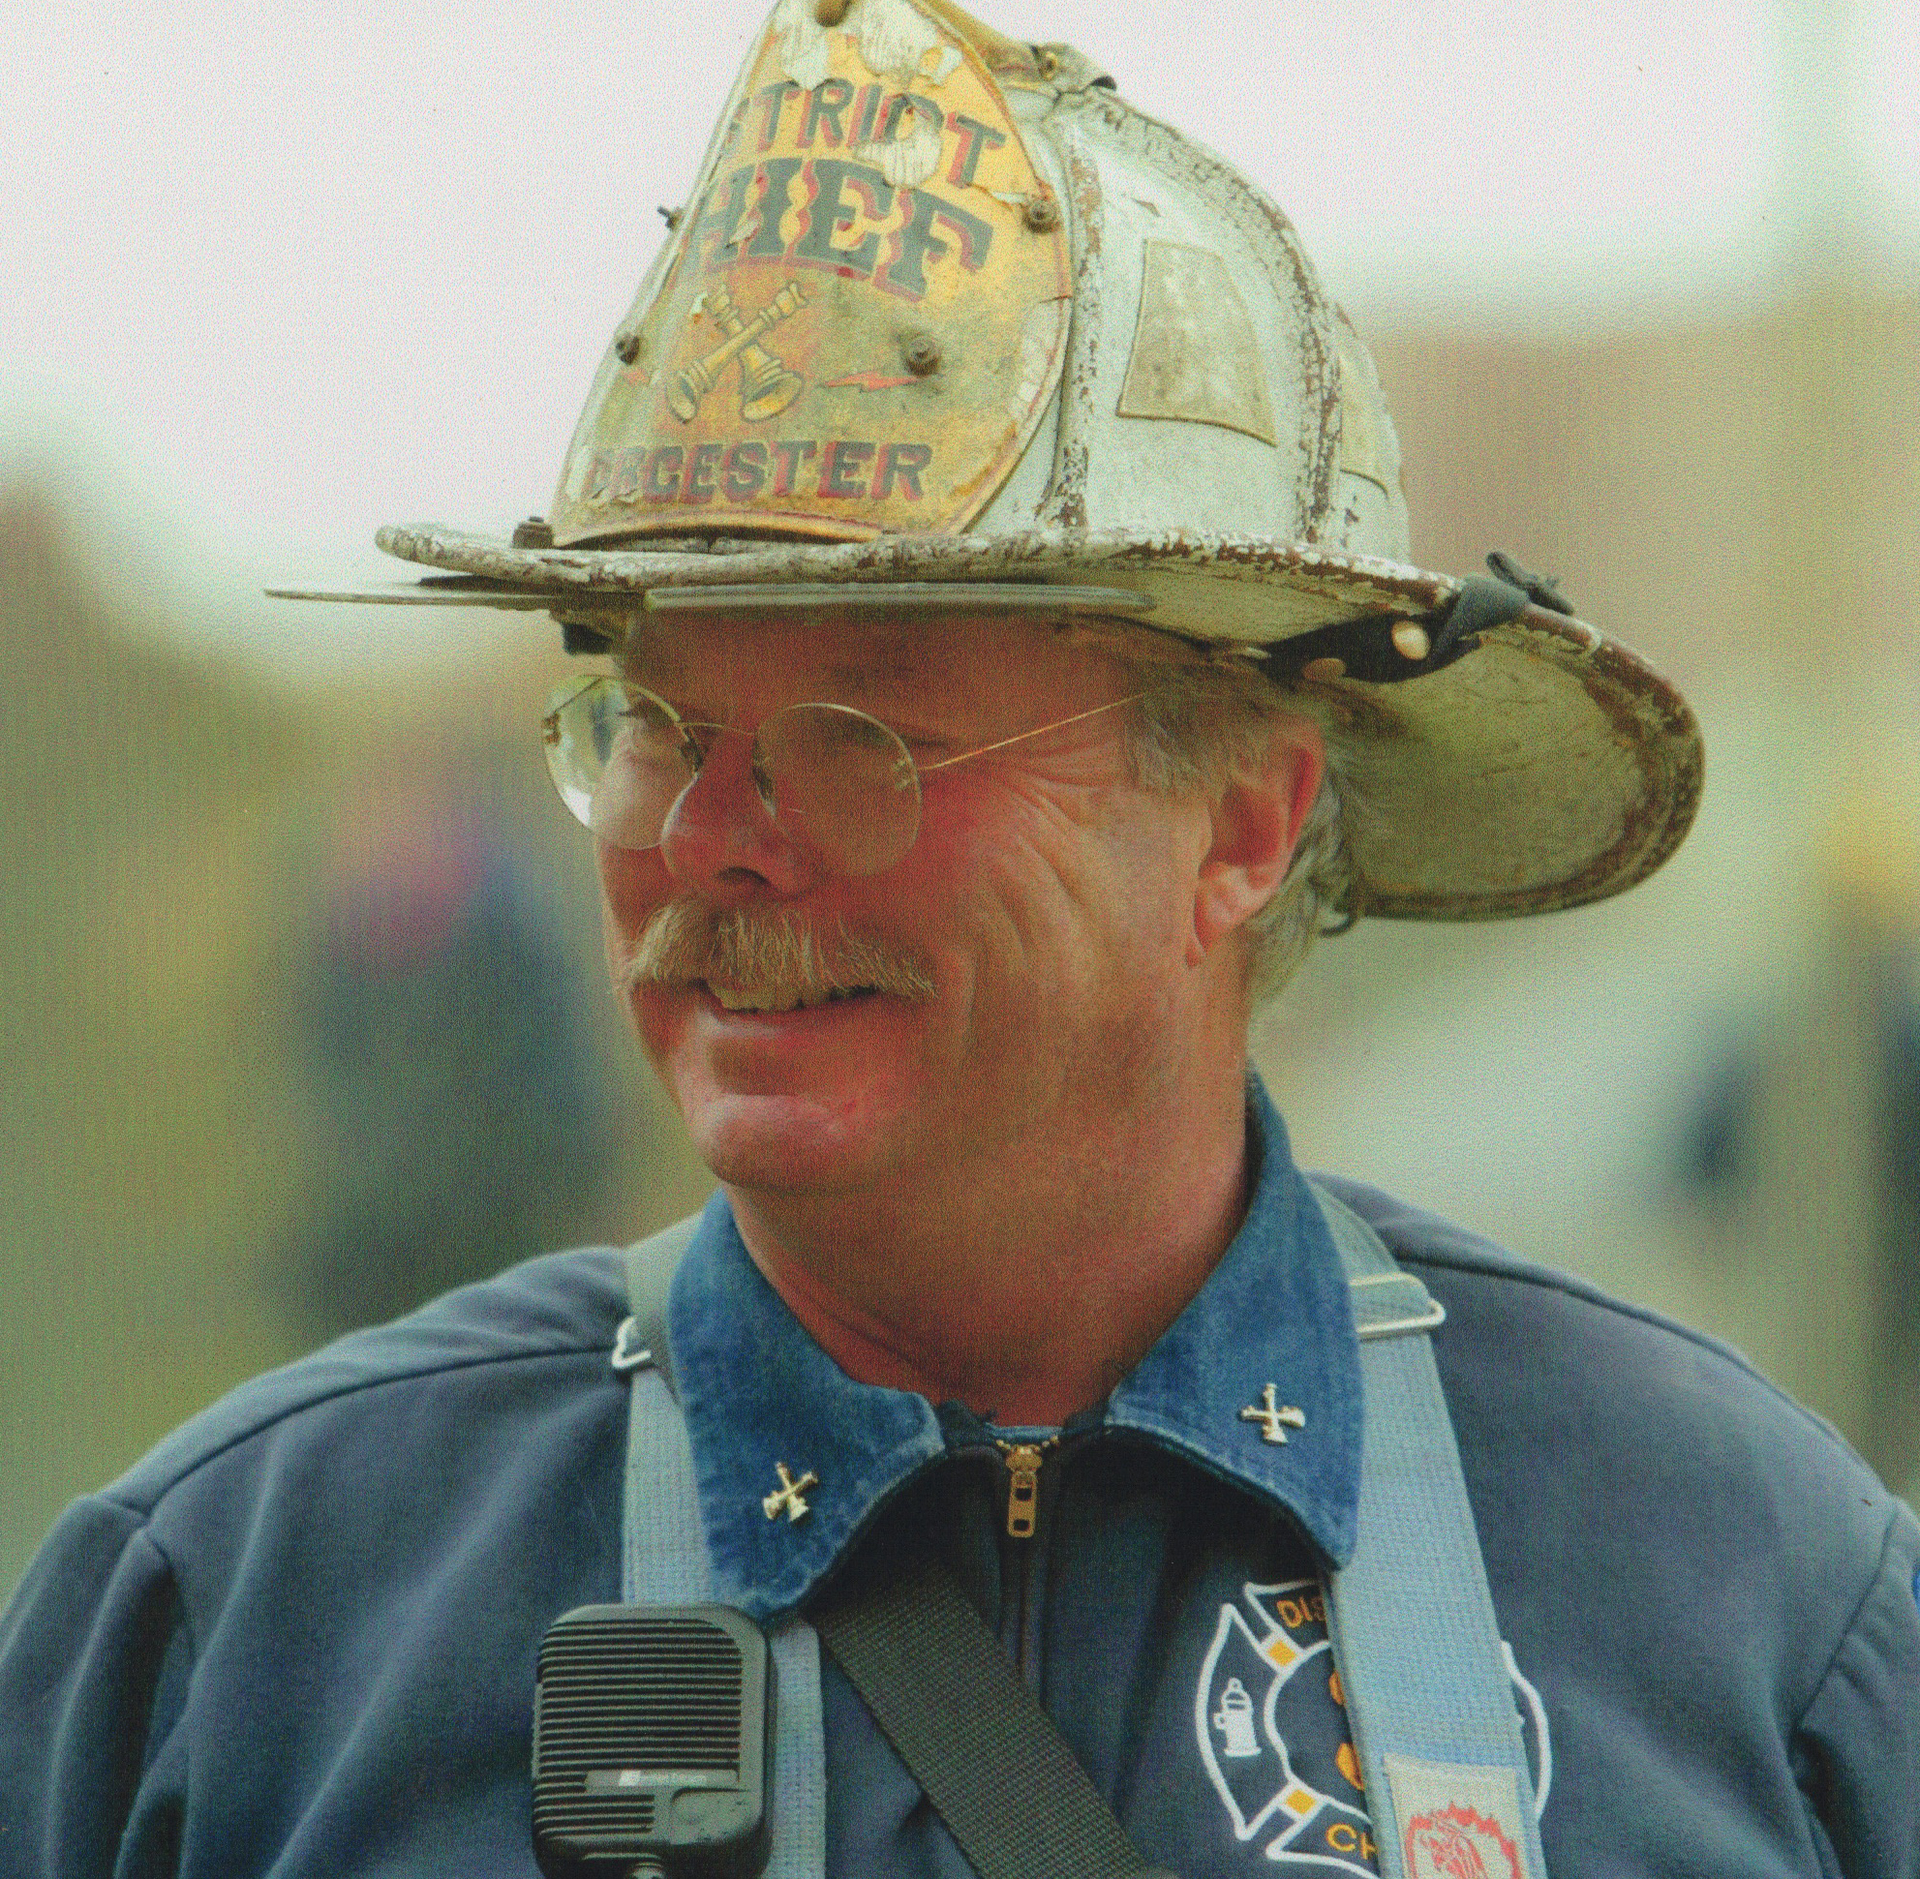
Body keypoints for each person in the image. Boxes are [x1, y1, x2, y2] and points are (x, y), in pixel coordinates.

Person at [4, 1, 1916, 1874]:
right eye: (659, 724)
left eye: (863, 739)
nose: (710, 845)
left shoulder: (1748, 1602)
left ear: (1242, 821)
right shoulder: (236, 1626)